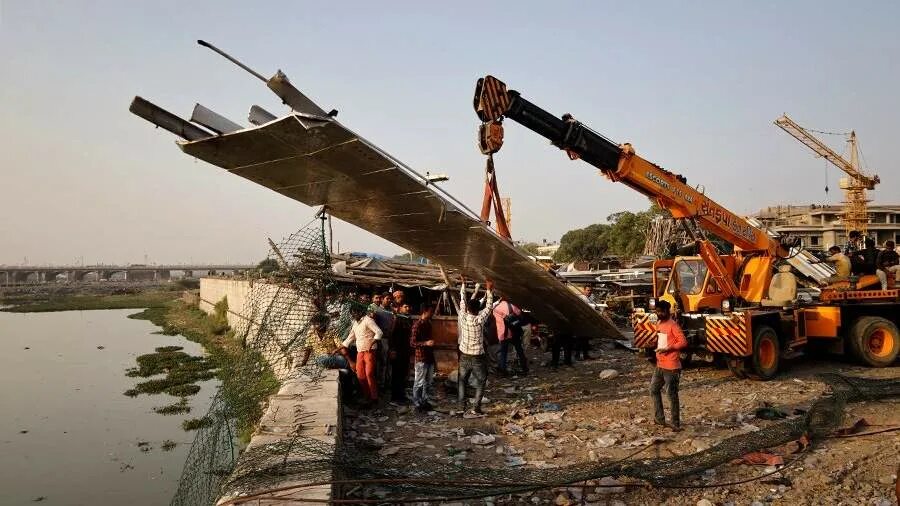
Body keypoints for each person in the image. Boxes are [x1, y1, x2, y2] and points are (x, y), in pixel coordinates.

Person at [456, 276, 493, 414]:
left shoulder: (463, 317)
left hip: (464, 355)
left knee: (462, 381)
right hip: (477, 356)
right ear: (478, 309)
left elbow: (462, 300)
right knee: (481, 380)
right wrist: (489, 290)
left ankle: (461, 407)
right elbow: (489, 307)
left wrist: (463, 284)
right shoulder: (479, 320)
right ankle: (476, 408)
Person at [649, 299, 687, 430]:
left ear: (666, 311)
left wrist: (668, 349)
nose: (658, 313)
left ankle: (675, 424)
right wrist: (654, 342)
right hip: (660, 365)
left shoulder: (673, 325)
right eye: (656, 311)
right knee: (653, 390)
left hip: (671, 367)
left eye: (660, 311)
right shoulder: (659, 323)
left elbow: (683, 342)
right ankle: (659, 419)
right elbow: (661, 339)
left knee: (671, 395)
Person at [342, 306, 383, 405]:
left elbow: (379, 332)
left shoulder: (368, 320)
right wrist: (338, 348)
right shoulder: (355, 323)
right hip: (360, 351)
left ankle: (374, 397)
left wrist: (372, 342)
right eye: (352, 313)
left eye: (355, 313)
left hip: (370, 351)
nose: (353, 315)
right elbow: (350, 338)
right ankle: (367, 395)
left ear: (360, 312)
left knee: (369, 374)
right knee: (360, 374)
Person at [410, 305, 436, 412]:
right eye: (431, 312)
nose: (432, 314)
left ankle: (424, 400)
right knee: (419, 382)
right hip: (421, 357)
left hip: (429, 356)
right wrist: (425, 343)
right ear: (425, 312)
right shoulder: (417, 325)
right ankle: (417, 401)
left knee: (428, 381)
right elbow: (412, 343)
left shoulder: (428, 324)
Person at [493, 297, 529, 376]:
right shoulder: (512, 306)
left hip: (502, 334)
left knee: (503, 353)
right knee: (519, 350)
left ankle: (503, 371)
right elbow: (520, 316)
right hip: (513, 332)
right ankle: (524, 368)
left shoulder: (495, 309)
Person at [389, 303, 413, 404]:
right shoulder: (397, 319)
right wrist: (392, 349)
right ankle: (395, 398)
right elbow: (392, 335)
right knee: (397, 374)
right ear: (400, 309)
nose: (408, 308)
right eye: (405, 307)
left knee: (403, 374)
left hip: (405, 350)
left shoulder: (408, 319)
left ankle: (401, 396)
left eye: (408, 306)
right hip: (397, 350)